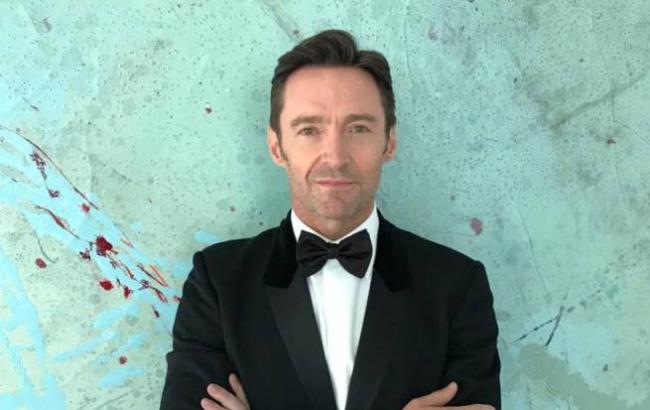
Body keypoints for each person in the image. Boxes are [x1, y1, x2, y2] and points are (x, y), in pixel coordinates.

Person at [160, 29, 500, 410]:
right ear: (276, 146)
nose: (335, 157)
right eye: (309, 130)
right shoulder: (218, 282)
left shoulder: (457, 286)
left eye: (358, 128)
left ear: (389, 141)